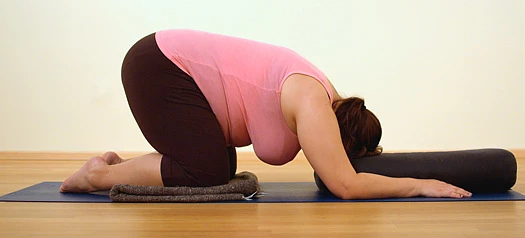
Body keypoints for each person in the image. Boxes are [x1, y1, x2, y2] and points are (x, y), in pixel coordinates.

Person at [60, 29, 471, 199]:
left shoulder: (317, 93)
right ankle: (97, 176)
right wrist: (419, 184)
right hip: (160, 65)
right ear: (344, 136)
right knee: (206, 171)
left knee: (219, 163)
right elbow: (346, 185)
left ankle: (114, 166)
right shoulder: (313, 103)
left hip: (166, 63)